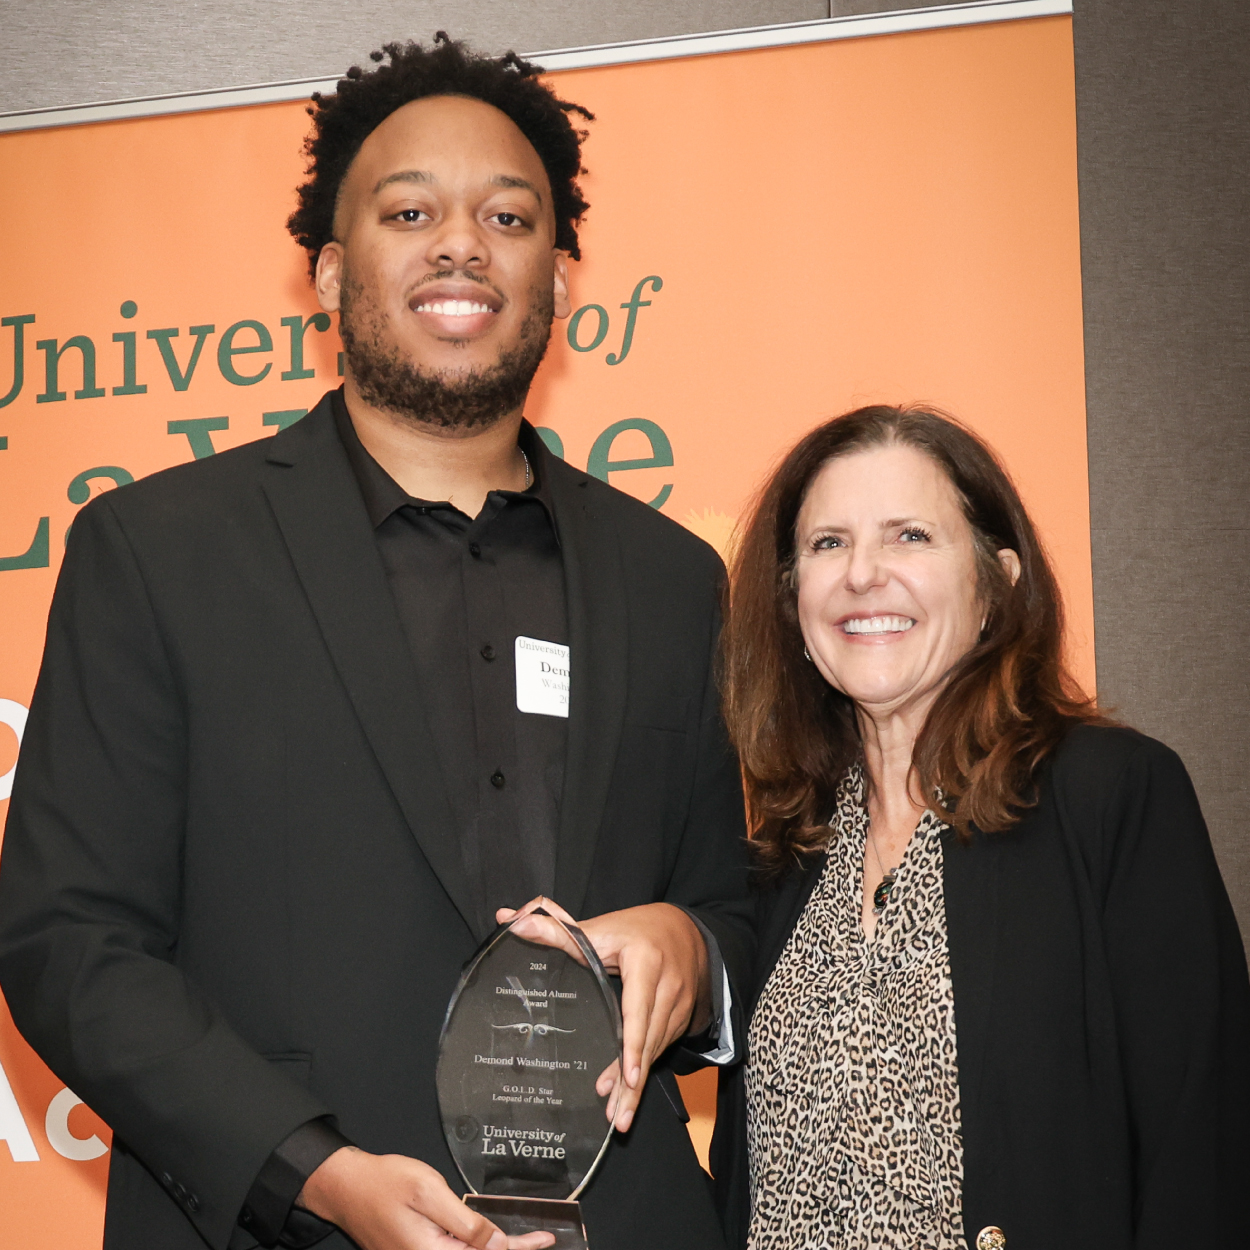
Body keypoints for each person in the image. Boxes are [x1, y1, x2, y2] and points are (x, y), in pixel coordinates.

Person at [0, 36, 751, 1250]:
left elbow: (738, 898)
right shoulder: (159, 551)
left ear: (560, 281)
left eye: (510, 215)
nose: (462, 241)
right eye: (411, 210)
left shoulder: (674, 580)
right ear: (329, 273)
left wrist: (691, 946)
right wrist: (315, 1170)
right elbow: (69, 939)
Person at [708, 404, 1250, 1250]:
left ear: (996, 584)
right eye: (828, 544)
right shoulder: (783, 852)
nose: (862, 575)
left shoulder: (1112, 798)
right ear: (792, 603)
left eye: (911, 537)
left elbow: (1200, 1157)